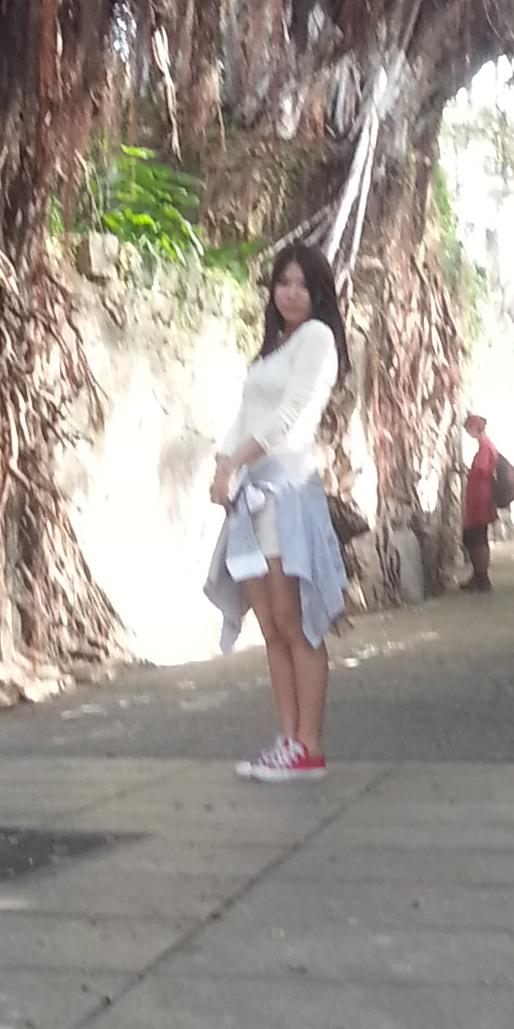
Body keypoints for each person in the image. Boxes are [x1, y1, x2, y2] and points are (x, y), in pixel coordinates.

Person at [203, 241, 349, 782]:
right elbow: (244, 416)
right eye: (281, 283)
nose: (289, 293)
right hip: (252, 494)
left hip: (286, 490)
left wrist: (236, 462)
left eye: (300, 285)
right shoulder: (273, 348)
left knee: (296, 621)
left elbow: (291, 416)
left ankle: (308, 745)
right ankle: (286, 739)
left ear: (318, 293)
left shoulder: (317, 339)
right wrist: (223, 468)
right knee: (269, 624)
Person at [461, 410, 504, 591]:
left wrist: (468, 472)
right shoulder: (486, 446)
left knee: (476, 537)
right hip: (479, 497)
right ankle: (479, 575)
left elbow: (482, 470)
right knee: (477, 537)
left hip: (480, 497)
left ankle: (481, 576)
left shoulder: (485, 448)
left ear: (474, 429)